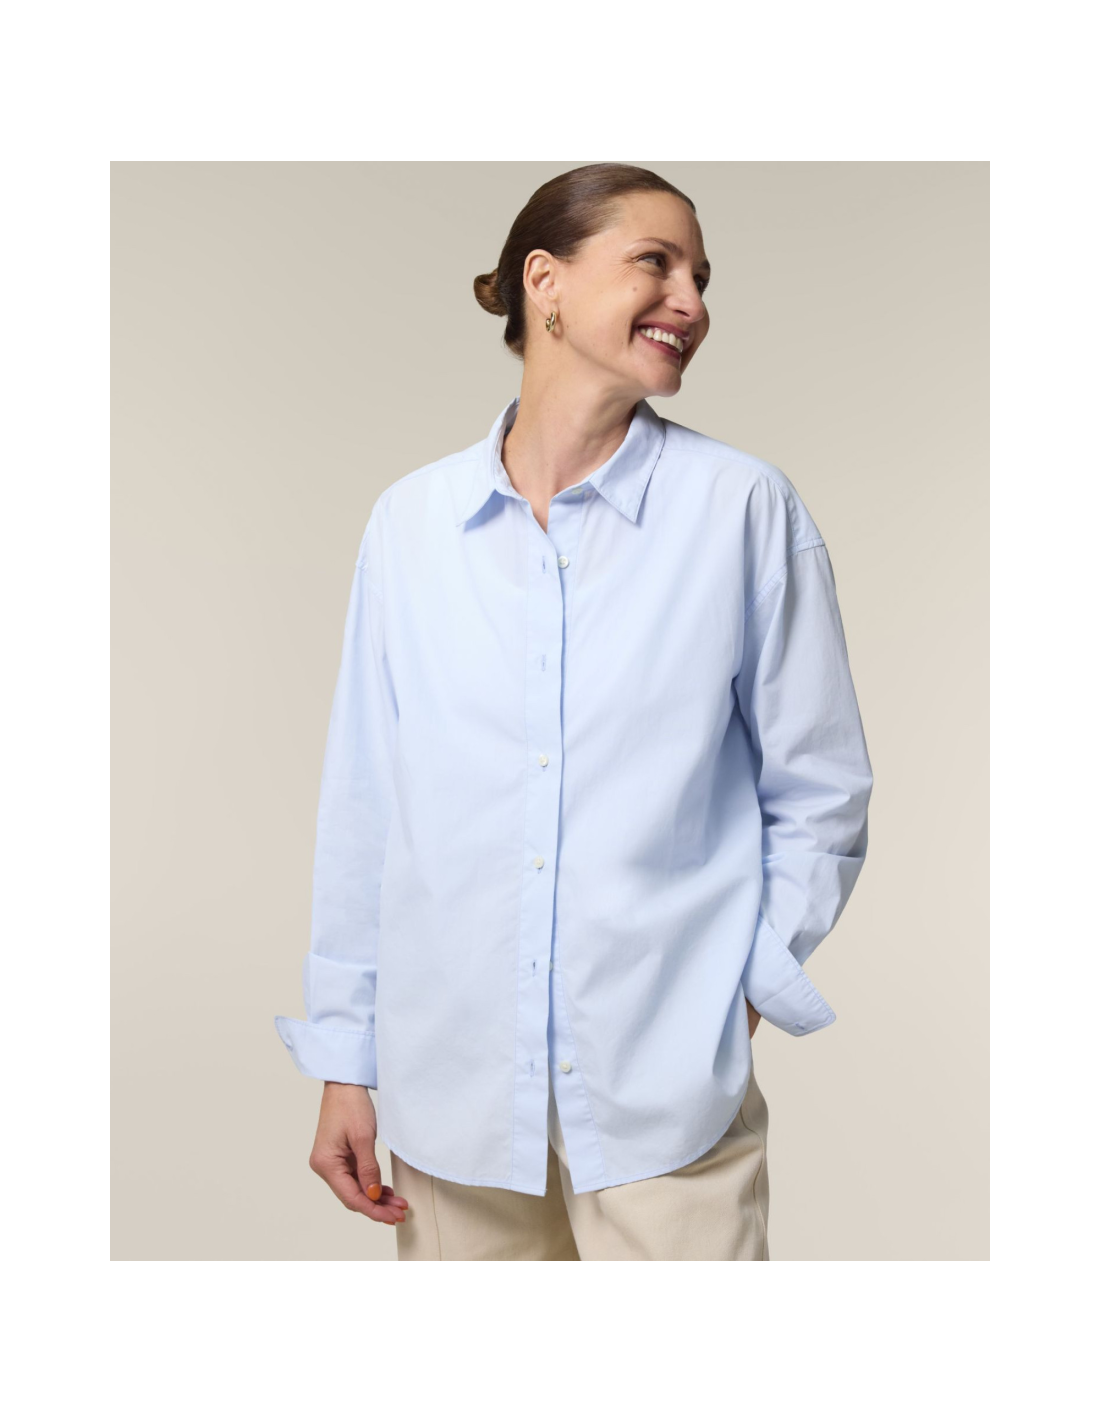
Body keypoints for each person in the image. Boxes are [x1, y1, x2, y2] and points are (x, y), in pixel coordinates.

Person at [274, 163, 874, 1261]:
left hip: (664, 1103)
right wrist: (345, 1062)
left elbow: (821, 789)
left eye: (700, 277)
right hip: (451, 1102)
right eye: (655, 263)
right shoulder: (411, 525)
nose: (690, 301)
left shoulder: (740, 509)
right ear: (543, 283)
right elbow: (368, 810)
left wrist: (739, 996)